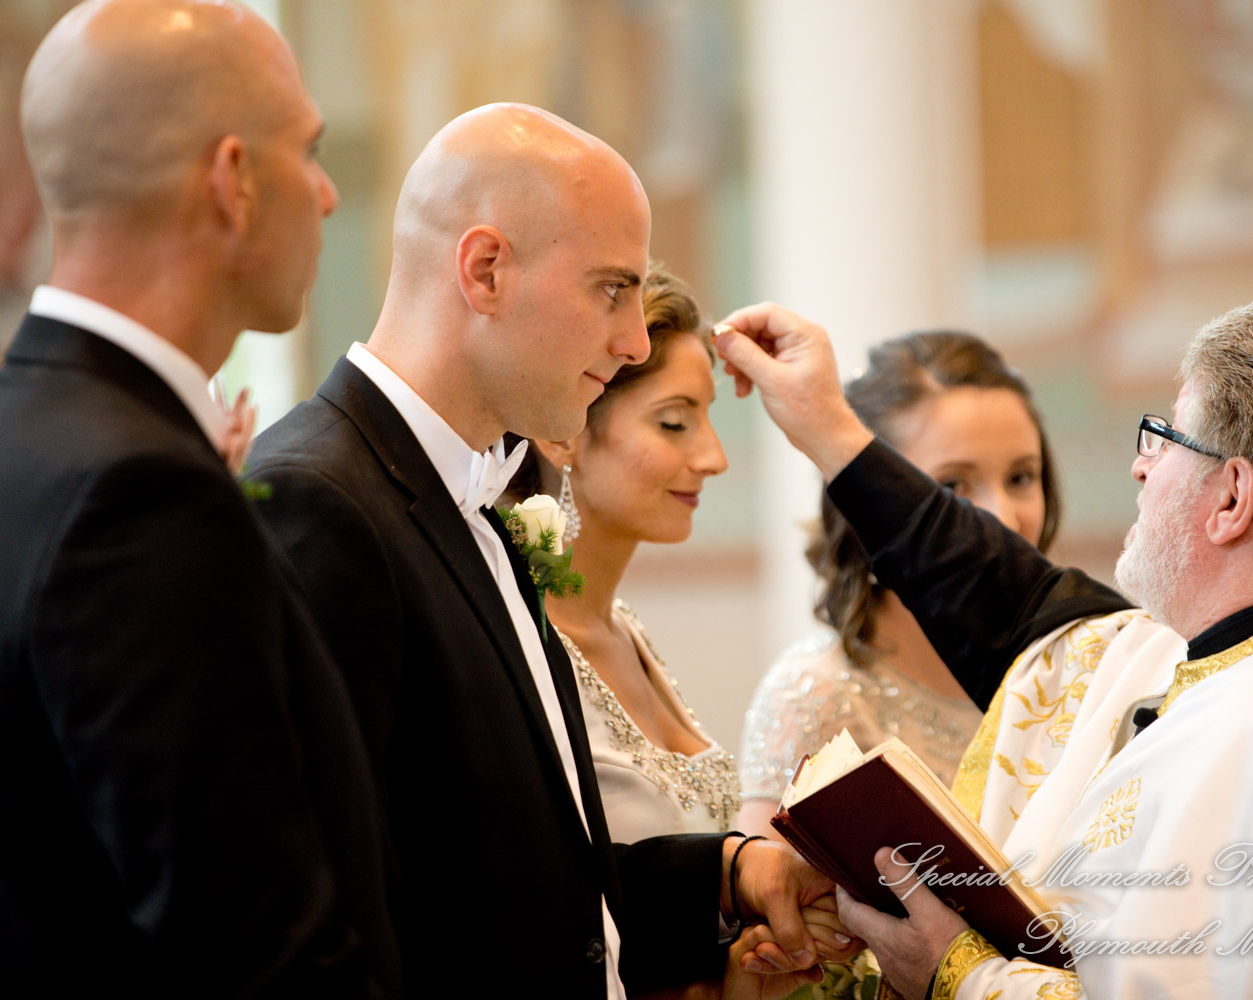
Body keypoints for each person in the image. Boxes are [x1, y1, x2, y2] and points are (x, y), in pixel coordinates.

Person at [713, 296, 1253, 997]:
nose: (1140, 465)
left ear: (1231, 498)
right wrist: (830, 429)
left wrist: (957, 972)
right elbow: (1021, 603)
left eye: (1165, 436)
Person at [246, 105, 836, 998]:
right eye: (611, 289)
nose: (635, 339)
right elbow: (335, 913)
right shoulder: (320, 501)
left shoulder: (483, 498)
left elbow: (509, 872)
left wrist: (725, 873)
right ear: (485, 270)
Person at [0, 1, 399, 995]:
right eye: (309, 150)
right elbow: (254, 954)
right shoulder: (144, 498)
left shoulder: (15, 429)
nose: (331, 194)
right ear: (234, 182)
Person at [738, 330, 1067, 837]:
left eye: (1021, 478)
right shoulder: (815, 699)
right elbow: (768, 905)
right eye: (951, 486)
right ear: (874, 500)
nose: (1003, 516)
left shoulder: (1067, 672)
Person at [502, 264, 741, 842]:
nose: (714, 457)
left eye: (708, 418)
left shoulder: (623, 627)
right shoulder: (518, 634)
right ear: (565, 435)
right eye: (674, 422)